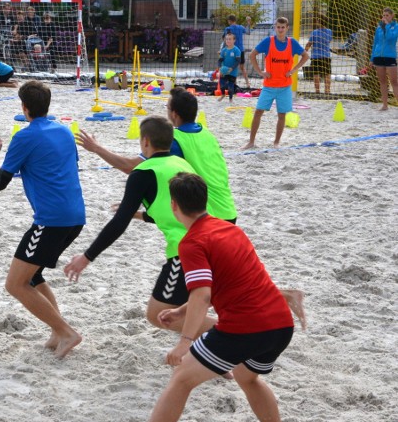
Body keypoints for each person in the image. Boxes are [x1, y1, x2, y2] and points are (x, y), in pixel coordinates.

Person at [78, 88, 307, 329]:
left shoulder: (175, 141)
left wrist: (97, 149)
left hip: (204, 217)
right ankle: (282, 295)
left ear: (174, 115)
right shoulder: (206, 134)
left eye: (167, 110)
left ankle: (224, 335)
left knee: (179, 302)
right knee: (218, 283)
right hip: (227, 212)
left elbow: (131, 167)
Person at [145, 172, 297, 422]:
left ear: (173, 205)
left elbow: (202, 295)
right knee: (247, 377)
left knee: (181, 379)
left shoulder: (191, 242)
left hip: (245, 328)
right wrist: (181, 310)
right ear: (205, 201)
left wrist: (185, 341)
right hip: (281, 324)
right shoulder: (230, 228)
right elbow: (224, 282)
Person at [65, 116, 198, 332]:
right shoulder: (182, 164)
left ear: (145, 142)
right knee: (184, 311)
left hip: (186, 252)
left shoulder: (143, 173)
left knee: (159, 315)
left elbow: (119, 223)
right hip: (211, 242)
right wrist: (140, 215)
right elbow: (178, 211)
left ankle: (227, 337)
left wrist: (86, 257)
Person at [0, 80, 85, 358]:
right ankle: (57, 332)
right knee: (34, 275)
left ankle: (66, 332)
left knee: (14, 284)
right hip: (76, 216)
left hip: (51, 220)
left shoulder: (25, 136)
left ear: (24, 108)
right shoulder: (64, 132)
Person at [244, 17, 309, 149]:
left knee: (281, 115)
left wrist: (294, 69)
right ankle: (251, 142)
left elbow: (305, 56)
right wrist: (260, 72)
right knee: (258, 112)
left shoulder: (292, 43)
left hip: (285, 87)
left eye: (282, 27)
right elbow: (252, 55)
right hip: (269, 86)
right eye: (278, 27)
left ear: (287, 28)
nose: (280, 29)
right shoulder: (268, 41)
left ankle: (276, 142)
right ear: (275, 28)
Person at [369, 7, 398, 111]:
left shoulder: (395, 26)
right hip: (378, 56)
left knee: (394, 81)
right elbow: (375, 43)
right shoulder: (378, 28)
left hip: (390, 56)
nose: (385, 17)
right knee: (382, 81)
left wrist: (388, 26)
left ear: (392, 16)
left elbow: (391, 38)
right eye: (384, 15)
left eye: (387, 15)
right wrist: (372, 58)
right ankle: (385, 105)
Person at [223, 14, 252, 88]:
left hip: (232, 50)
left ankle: (234, 84)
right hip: (241, 50)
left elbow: (225, 40)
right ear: (235, 20)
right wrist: (248, 23)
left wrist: (222, 49)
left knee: (232, 68)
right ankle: (248, 83)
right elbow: (248, 32)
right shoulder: (241, 27)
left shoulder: (228, 29)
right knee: (242, 68)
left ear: (229, 21)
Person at [218, 32, 241, 102]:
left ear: (234, 40)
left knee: (230, 87)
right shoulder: (224, 50)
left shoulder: (236, 50)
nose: (228, 41)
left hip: (233, 72)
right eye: (227, 39)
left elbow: (238, 61)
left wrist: (232, 68)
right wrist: (219, 68)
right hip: (224, 71)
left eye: (230, 39)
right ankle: (223, 94)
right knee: (221, 85)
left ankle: (230, 99)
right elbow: (220, 60)